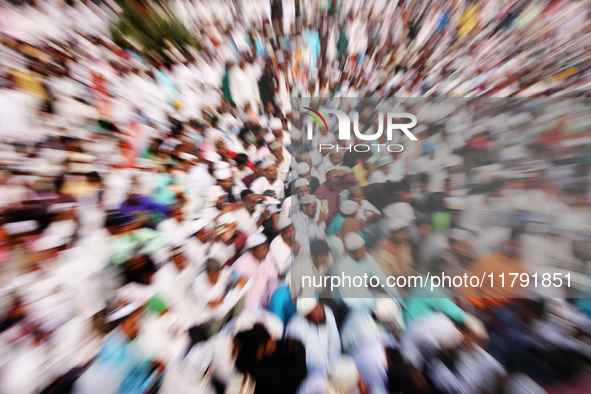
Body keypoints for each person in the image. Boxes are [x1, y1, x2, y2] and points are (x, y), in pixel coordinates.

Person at [72, 302, 164, 394]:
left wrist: (150, 363)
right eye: (134, 322)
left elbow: (138, 361)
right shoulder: (114, 352)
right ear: (124, 323)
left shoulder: (122, 342)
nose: (138, 328)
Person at [234, 324, 307, 394]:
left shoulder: (280, 348)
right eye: (268, 341)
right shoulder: (263, 376)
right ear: (259, 352)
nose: (273, 340)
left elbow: (297, 346)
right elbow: (296, 378)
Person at [285, 298, 341, 376]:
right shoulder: (295, 328)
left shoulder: (326, 312)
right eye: (314, 310)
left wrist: (334, 370)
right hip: (312, 376)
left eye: (318, 306)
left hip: (334, 370)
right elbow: (299, 363)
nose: (320, 312)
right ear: (305, 316)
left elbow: (335, 343)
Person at [232, 232, 279, 308]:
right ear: (251, 250)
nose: (265, 252)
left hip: (266, 297)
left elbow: (272, 278)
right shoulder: (241, 265)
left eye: (266, 248)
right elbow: (238, 294)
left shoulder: (267, 256)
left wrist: (273, 299)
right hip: (249, 303)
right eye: (262, 249)